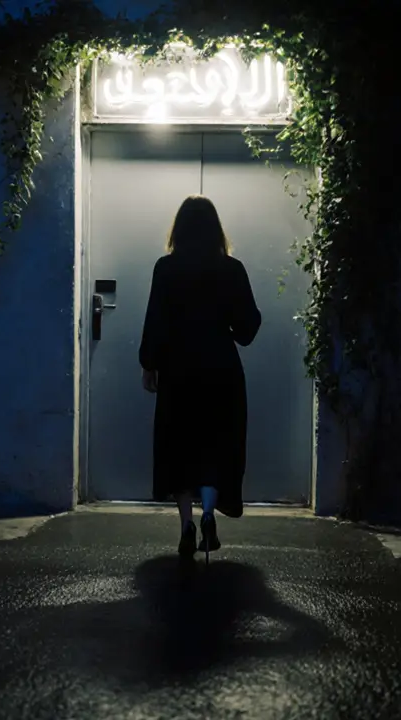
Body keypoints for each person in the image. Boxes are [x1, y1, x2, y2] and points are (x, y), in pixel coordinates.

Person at [139, 194, 262, 563]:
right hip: (221, 370)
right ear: (215, 229)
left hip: (179, 370)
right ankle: (209, 513)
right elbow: (247, 328)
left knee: (180, 447)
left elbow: (155, 321)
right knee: (215, 445)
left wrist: (150, 364)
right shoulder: (231, 268)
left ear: (179, 229)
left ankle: (186, 527)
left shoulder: (166, 268)